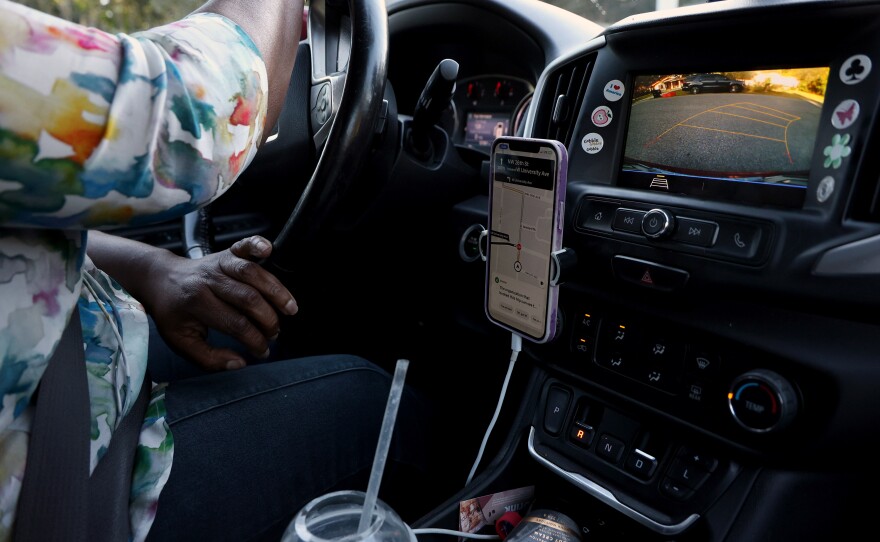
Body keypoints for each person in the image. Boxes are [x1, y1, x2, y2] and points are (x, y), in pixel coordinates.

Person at [0, 0, 428, 540]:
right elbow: (201, 111)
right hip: (56, 484)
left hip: (60, 366)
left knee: (261, 339)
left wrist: (154, 270)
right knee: (369, 403)